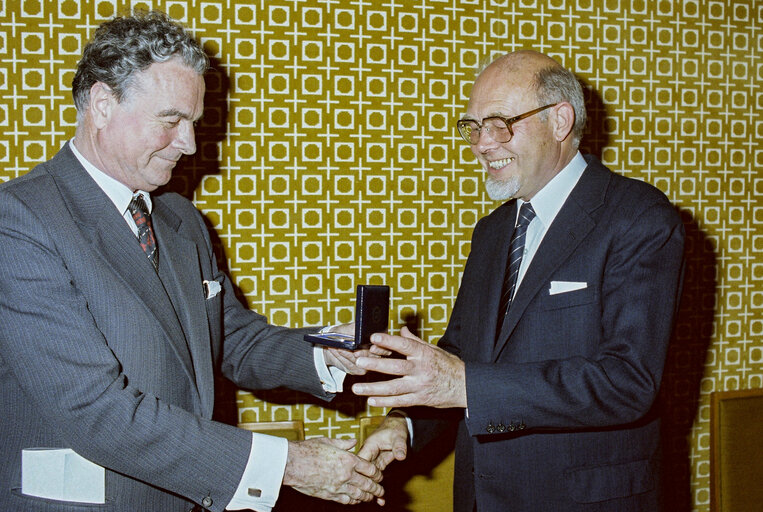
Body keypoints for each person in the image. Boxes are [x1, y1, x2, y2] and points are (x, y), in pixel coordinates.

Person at [0, 10, 385, 512]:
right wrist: (288, 464)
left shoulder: (181, 220)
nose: (189, 144)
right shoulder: (20, 219)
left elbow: (233, 339)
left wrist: (328, 355)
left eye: (193, 123)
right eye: (171, 120)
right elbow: (95, 410)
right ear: (101, 103)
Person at [353, 50, 685, 511]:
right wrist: (404, 424)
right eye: (472, 127)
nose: (483, 144)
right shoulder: (492, 232)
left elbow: (627, 382)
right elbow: (460, 355)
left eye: (500, 123)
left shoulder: (638, 218)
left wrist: (465, 385)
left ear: (560, 120)